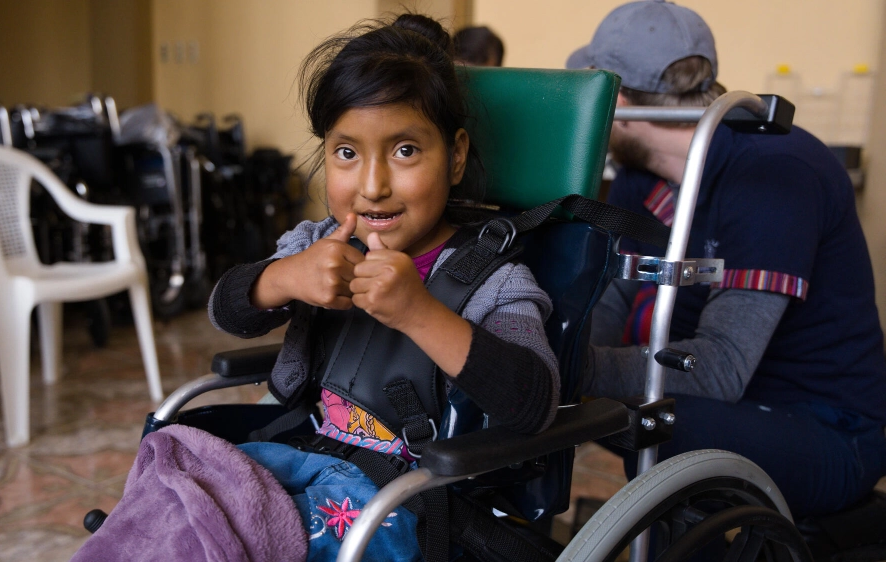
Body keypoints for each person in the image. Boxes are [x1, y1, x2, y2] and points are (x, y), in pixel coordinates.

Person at [210, 13, 558, 560]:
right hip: (303, 453)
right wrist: (285, 277)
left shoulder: (495, 279)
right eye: (347, 153)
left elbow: (533, 400)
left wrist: (419, 312)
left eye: (405, 151)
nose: (372, 187)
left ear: (457, 154)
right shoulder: (316, 243)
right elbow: (228, 312)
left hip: (407, 499)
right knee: (182, 482)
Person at [568, 0, 886, 521]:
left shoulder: (777, 173)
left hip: (824, 426)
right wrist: (557, 356)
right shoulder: (638, 174)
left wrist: (579, 369)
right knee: (557, 411)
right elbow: (614, 294)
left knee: (663, 429)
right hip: (724, 409)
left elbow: (722, 370)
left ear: (620, 100)